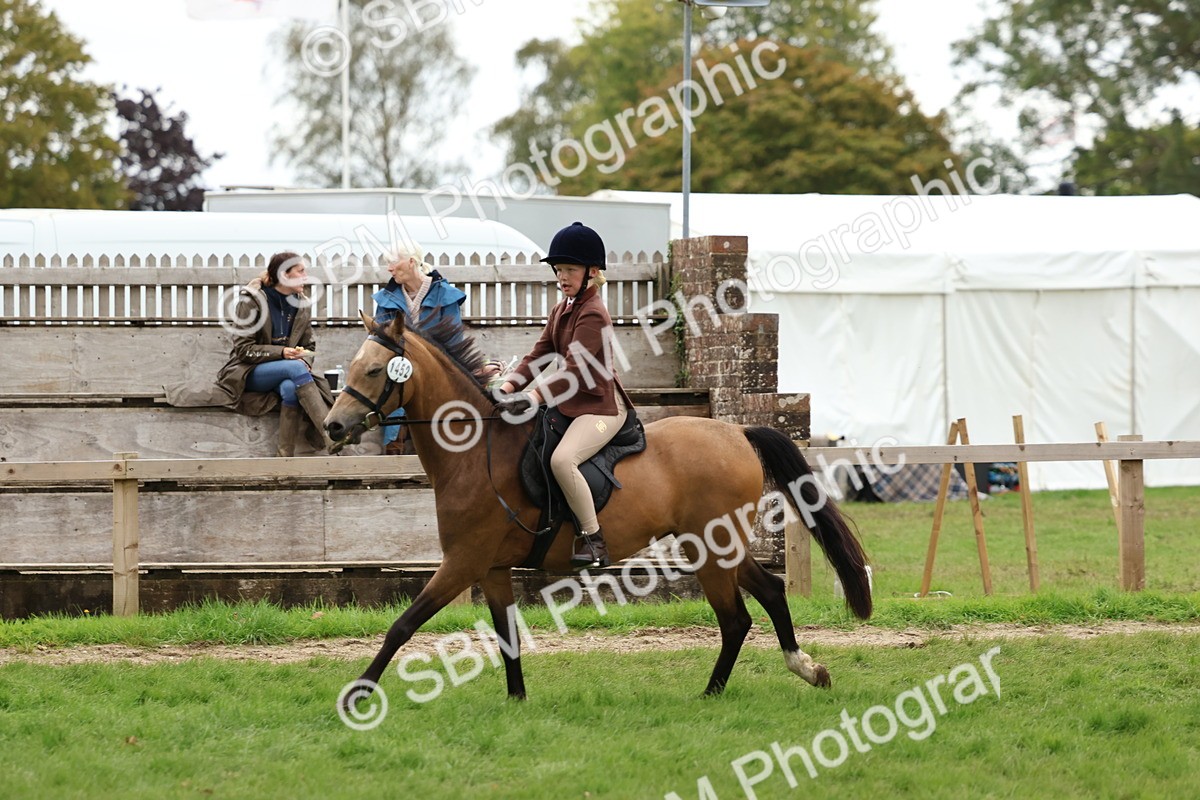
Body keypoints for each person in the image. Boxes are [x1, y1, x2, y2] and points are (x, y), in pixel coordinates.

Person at [496, 222, 633, 569]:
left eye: (569, 269)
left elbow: (572, 372)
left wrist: (533, 397)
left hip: (602, 410)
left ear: (592, 272)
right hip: (571, 406)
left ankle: (593, 539)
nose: (562, 277)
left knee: (562, 460)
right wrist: (508, 387)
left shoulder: (594, 314)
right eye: (558, 270)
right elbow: (538, 355)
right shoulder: (562, 309)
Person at [165, 251, 334, 457]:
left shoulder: (301, 306)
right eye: (301, 271)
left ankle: (285, 459)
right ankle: (331, 436)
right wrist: (281, 353)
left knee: (291, 388)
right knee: (295, 368)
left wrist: (305, 360)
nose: (306, 277)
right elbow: (243, 349)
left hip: (290, 372)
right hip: (248, 372)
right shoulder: (251, 301)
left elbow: (309, 346)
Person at [373, 244, 502, 454]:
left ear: (412, 262)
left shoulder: (445, 296)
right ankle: (394, 450)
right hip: (396, 376)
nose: (389, 268)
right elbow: (380, 344)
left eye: (393, 262)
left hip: (435, 377)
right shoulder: (385, 299)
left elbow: (453, 344)